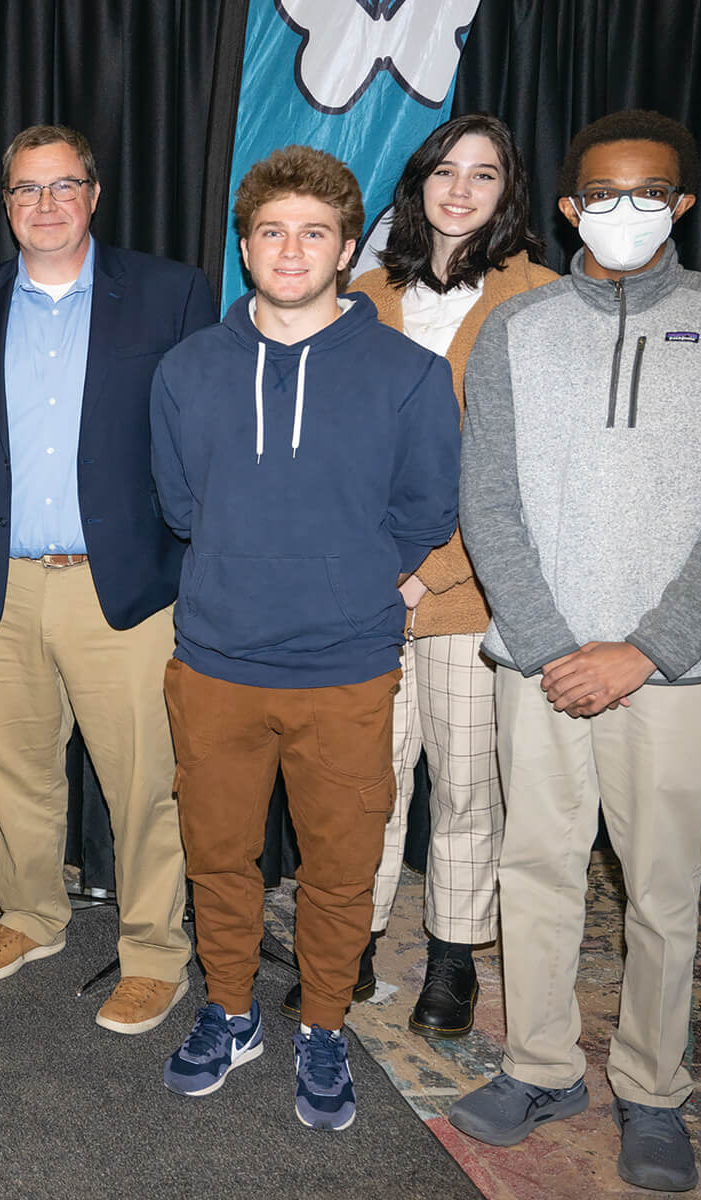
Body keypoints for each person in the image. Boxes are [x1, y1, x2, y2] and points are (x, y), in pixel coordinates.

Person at [448, 110, 701, 1191]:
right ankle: (540, 1064)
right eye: (604, 193)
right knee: (536, 870)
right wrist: (554, 646)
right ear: (569, 205)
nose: (627, 211)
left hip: (677, 670)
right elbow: (488, 498)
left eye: (650, 193)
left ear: (682, 204)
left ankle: (654, 1090)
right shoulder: (520, 328)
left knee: (661, 889)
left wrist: (644, 650)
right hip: (540, 660)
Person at [149, 145, 460, 1130]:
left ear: (344, 247)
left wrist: (360, 583)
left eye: (314, 233)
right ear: (245, 247)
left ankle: (324, 1026)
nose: (291, 251)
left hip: (346, 671)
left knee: (339, 869)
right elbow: (179, 505)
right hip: (215, 666)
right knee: (218, 858)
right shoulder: (187, 368)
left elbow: (428, 508)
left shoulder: (406, 376)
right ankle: (230, 1010)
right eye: (272, 232)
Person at [0, 124, 211, 1034]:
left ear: (94, 194)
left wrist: (202, 570)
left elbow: (208, 440)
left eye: (63, 186)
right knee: (13, 767)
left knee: (143, 779)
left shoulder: (168, 293)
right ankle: (32, 915)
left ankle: (157, 953)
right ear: (5, 204)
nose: (46, 205)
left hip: (123, 589)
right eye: (27, 190)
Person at [284, 114, 555, 1039]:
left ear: (507, 190)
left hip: (469, 595)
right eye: (445, 169)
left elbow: (523, 471)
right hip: (362, 590)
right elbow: (327, 446)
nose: (461, 188)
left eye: (484, 174)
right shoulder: (359, 294)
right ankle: (348, 946)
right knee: (364, 781)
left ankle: (451, 959)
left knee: (469, 785)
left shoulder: (540, 299)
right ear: (418, 180)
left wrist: (426, 573)